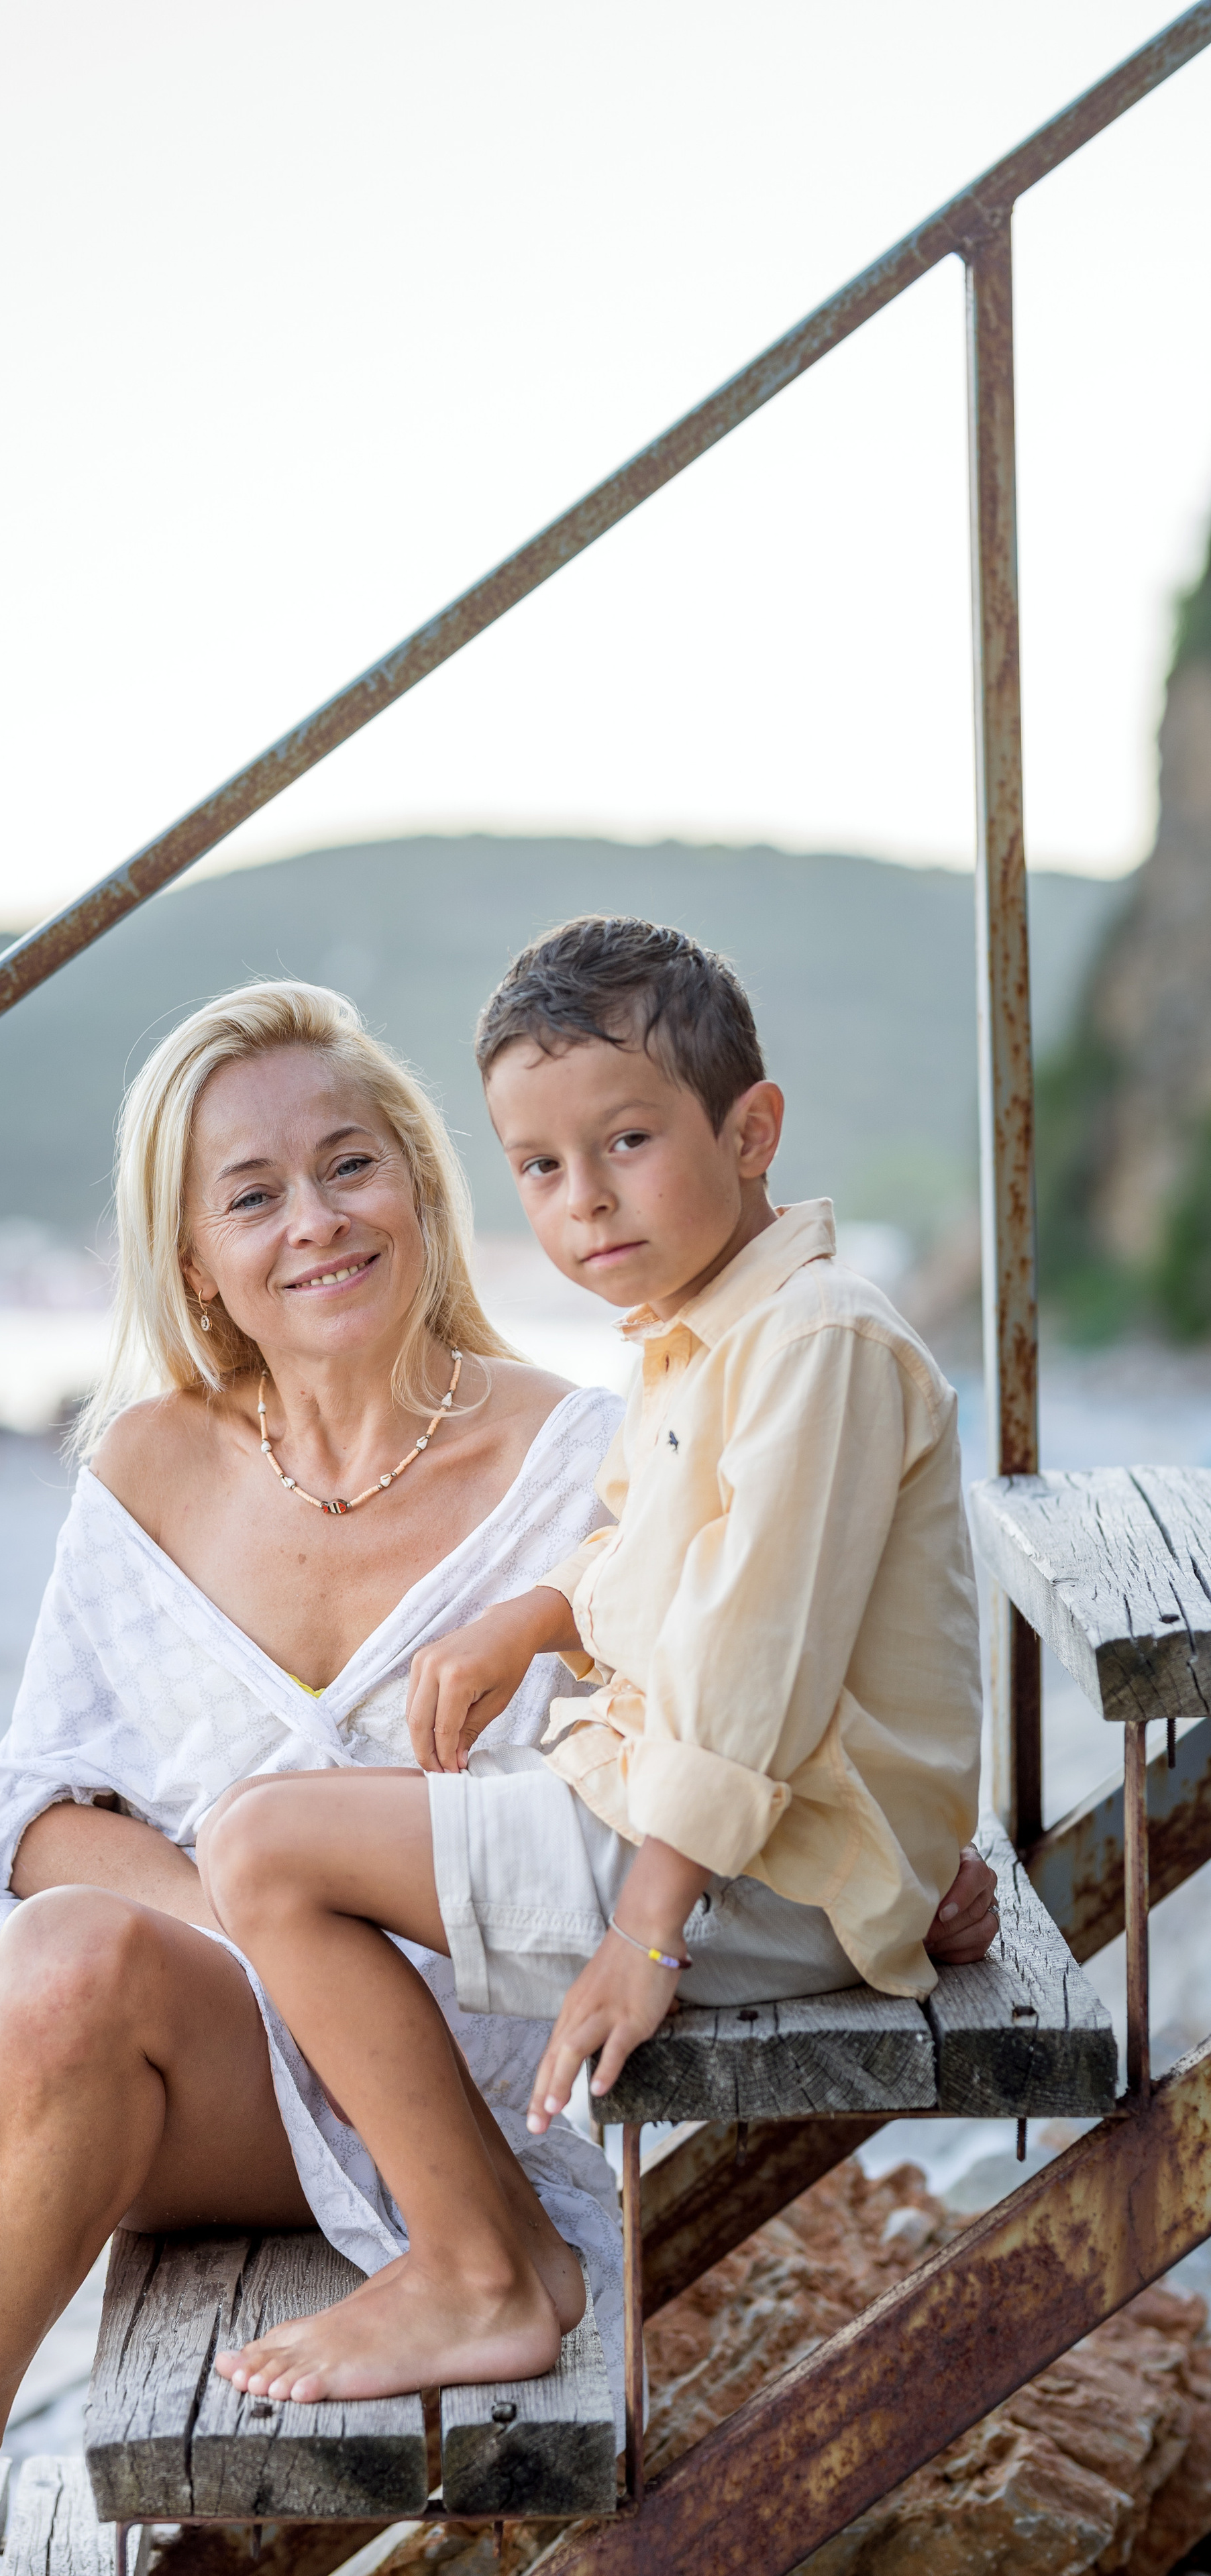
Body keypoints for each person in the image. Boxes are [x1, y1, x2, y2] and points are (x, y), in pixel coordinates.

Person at [0, 975, 996, 2576]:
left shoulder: (579, 1452)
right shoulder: (149, 1456)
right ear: (196, 1264)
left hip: (340, 2058)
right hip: (65, 1940)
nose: (314, 1220)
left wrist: (915, 1868)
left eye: (349, 1164)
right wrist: (240, 1909)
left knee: (79, 1967)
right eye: (251, 1194)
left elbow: (736, 1677)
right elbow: (32, 1814)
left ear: (422, 1186)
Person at [200, 918, 986, 2406]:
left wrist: (646, 1931)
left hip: (749, 1868)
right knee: (326, 1813)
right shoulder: (711, 1331)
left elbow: (748, 1660)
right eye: (542, 1169)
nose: (584, 1202)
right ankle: (474, 2235)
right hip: (774, 1852)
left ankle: (478, 2272)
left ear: (748, 1130)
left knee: (263, 1849)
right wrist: (534, 1616)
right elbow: (651, 1555)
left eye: (624, 1141)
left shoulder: (816, 1344)